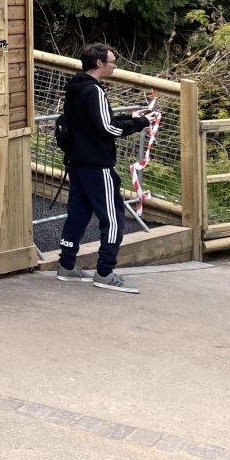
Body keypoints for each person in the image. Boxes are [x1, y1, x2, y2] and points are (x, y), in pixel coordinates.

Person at [55, 42, 154, 293]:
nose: (114, 66)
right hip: (98, 165)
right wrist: (141, 122)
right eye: (112, 62)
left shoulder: (75, 88)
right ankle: (105, 272)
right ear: (99, 63)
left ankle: (66, 265)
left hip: (77, 163)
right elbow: (107, 128)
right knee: (113, 218)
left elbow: (96, 122)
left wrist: (131, 118)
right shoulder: (94, 91)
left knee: (78, 214)